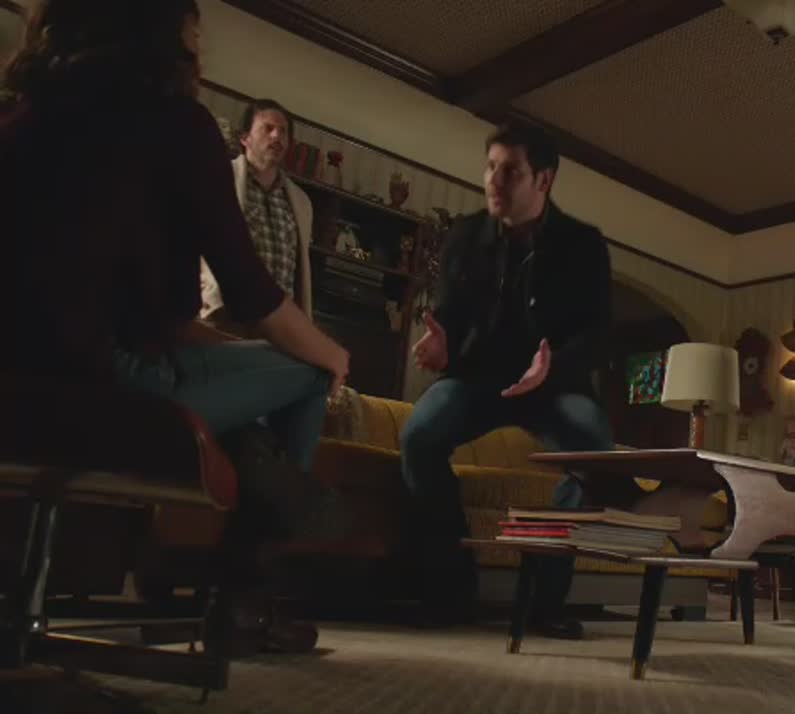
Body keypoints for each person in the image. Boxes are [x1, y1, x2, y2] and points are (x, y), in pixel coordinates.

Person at [0, 0, 350, 656]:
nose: (200, 49)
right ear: (162, 36)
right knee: (309, 370)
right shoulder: (178, 126)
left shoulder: (18, 121)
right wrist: (335, 356)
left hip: (17, 392)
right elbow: (251, 293)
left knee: (251, 388)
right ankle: (242, 597)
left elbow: (134, 307)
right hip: (110, 383)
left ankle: (257, 465)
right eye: (194, 32)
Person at [401, 124, 641, 640]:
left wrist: (554, 366)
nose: (493, 180)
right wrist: (442, 346)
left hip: (554, 386)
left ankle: (543, 603)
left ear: (543, 180)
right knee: (419, 436)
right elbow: (449, 317)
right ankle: (450, 590)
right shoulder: (465, 235)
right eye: (490, 167)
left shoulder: (583, 244)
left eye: (510, 171)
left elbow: (598, 335)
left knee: (593, 451)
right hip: (478, 380)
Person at [200, 97, 315, 333]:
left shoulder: (301, 202)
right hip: (228, 316)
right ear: (245, 138)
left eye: (283, 132)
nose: (277, 136)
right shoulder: (220, 178)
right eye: (268, 128)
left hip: (282, 327)